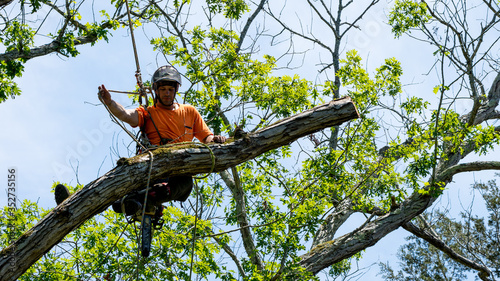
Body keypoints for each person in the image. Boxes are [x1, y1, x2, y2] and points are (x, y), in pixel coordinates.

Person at [55, 65, 227, 215]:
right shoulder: (148, 112)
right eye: (163, 89)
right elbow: (125, 115)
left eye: (170, 89)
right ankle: (74, 204)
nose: (167, 93)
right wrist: (109, 102)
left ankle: (145, 199)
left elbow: (206, 137)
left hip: (179, 165)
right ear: (156, 90)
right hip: (150, 162)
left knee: (185, 182)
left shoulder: (189, 111)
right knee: (112, 184)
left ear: (176, 90)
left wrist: (216, 139)